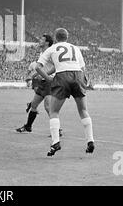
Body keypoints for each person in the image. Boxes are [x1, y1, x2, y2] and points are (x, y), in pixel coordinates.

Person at [36, 28, 94, 156]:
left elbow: (37, 67)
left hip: (62, 76)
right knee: (83, 110)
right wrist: (85, 82)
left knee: (54, 111)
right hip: (78, 75)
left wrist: (47, 78)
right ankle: (90, 140)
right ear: (67, 37)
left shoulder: (52, 49)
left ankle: (55, 142)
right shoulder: (76, 48)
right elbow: (83, 68)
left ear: (56, 38)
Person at [16, 34, 62, 136]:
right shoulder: (43, 52)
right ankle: (28, 126)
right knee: (34, 105)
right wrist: (34, 76)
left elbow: (55, 66)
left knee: (48, 106)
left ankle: (57, 130)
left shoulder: (51, 52)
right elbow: (40, 68)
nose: (39, 40)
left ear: (47, 42)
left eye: (41, 39)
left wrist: (44, 75)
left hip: (50, 82)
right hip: (43, 82)